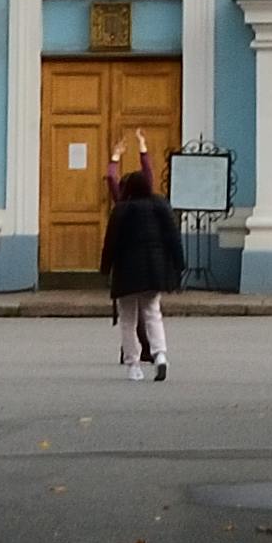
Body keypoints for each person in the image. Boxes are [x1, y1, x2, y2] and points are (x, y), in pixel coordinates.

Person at [100, 160, 181, 382]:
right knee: (153, 313)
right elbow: (173, 237)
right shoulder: (161, 205)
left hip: (127, 272)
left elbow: (111, 242)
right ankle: (160, 354)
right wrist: (178, 264)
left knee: (128, 319)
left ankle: (133, 365)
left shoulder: (121, 209)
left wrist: (105, 268)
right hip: (154, 270)